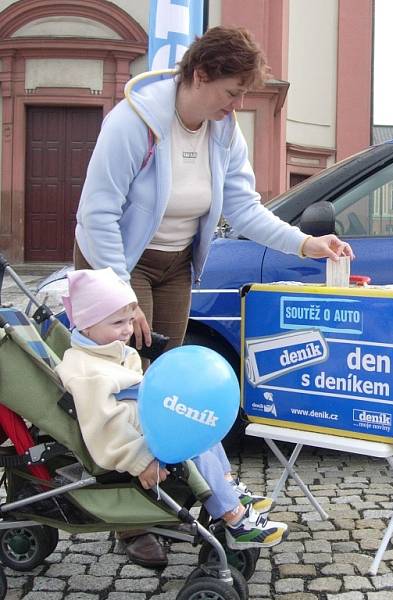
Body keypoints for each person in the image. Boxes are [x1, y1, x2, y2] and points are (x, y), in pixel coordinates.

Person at [72, 26, 353, 565]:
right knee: (128, 391)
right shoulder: (133, 123)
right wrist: (117, 296)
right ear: (199, 75)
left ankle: (174, 496)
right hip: (116, 265)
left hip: (175, 266)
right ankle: (130, 525)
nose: (238, 104)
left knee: (167, 389)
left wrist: (307, 243)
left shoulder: (224, 131)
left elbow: (243, 209)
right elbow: (97, 215)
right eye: (231, 92)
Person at [55, 269, 286, 565]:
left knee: (202, 423)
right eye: (117, 323)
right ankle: (233, 516)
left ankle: (227, 486)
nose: (127, 330)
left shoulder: (110, 351)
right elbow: (104, 427)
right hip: (137, 446)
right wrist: (141, 460)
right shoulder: (88, 372)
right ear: (86, 326)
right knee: (192, 438)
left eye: (128, 320)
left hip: (151, 427)